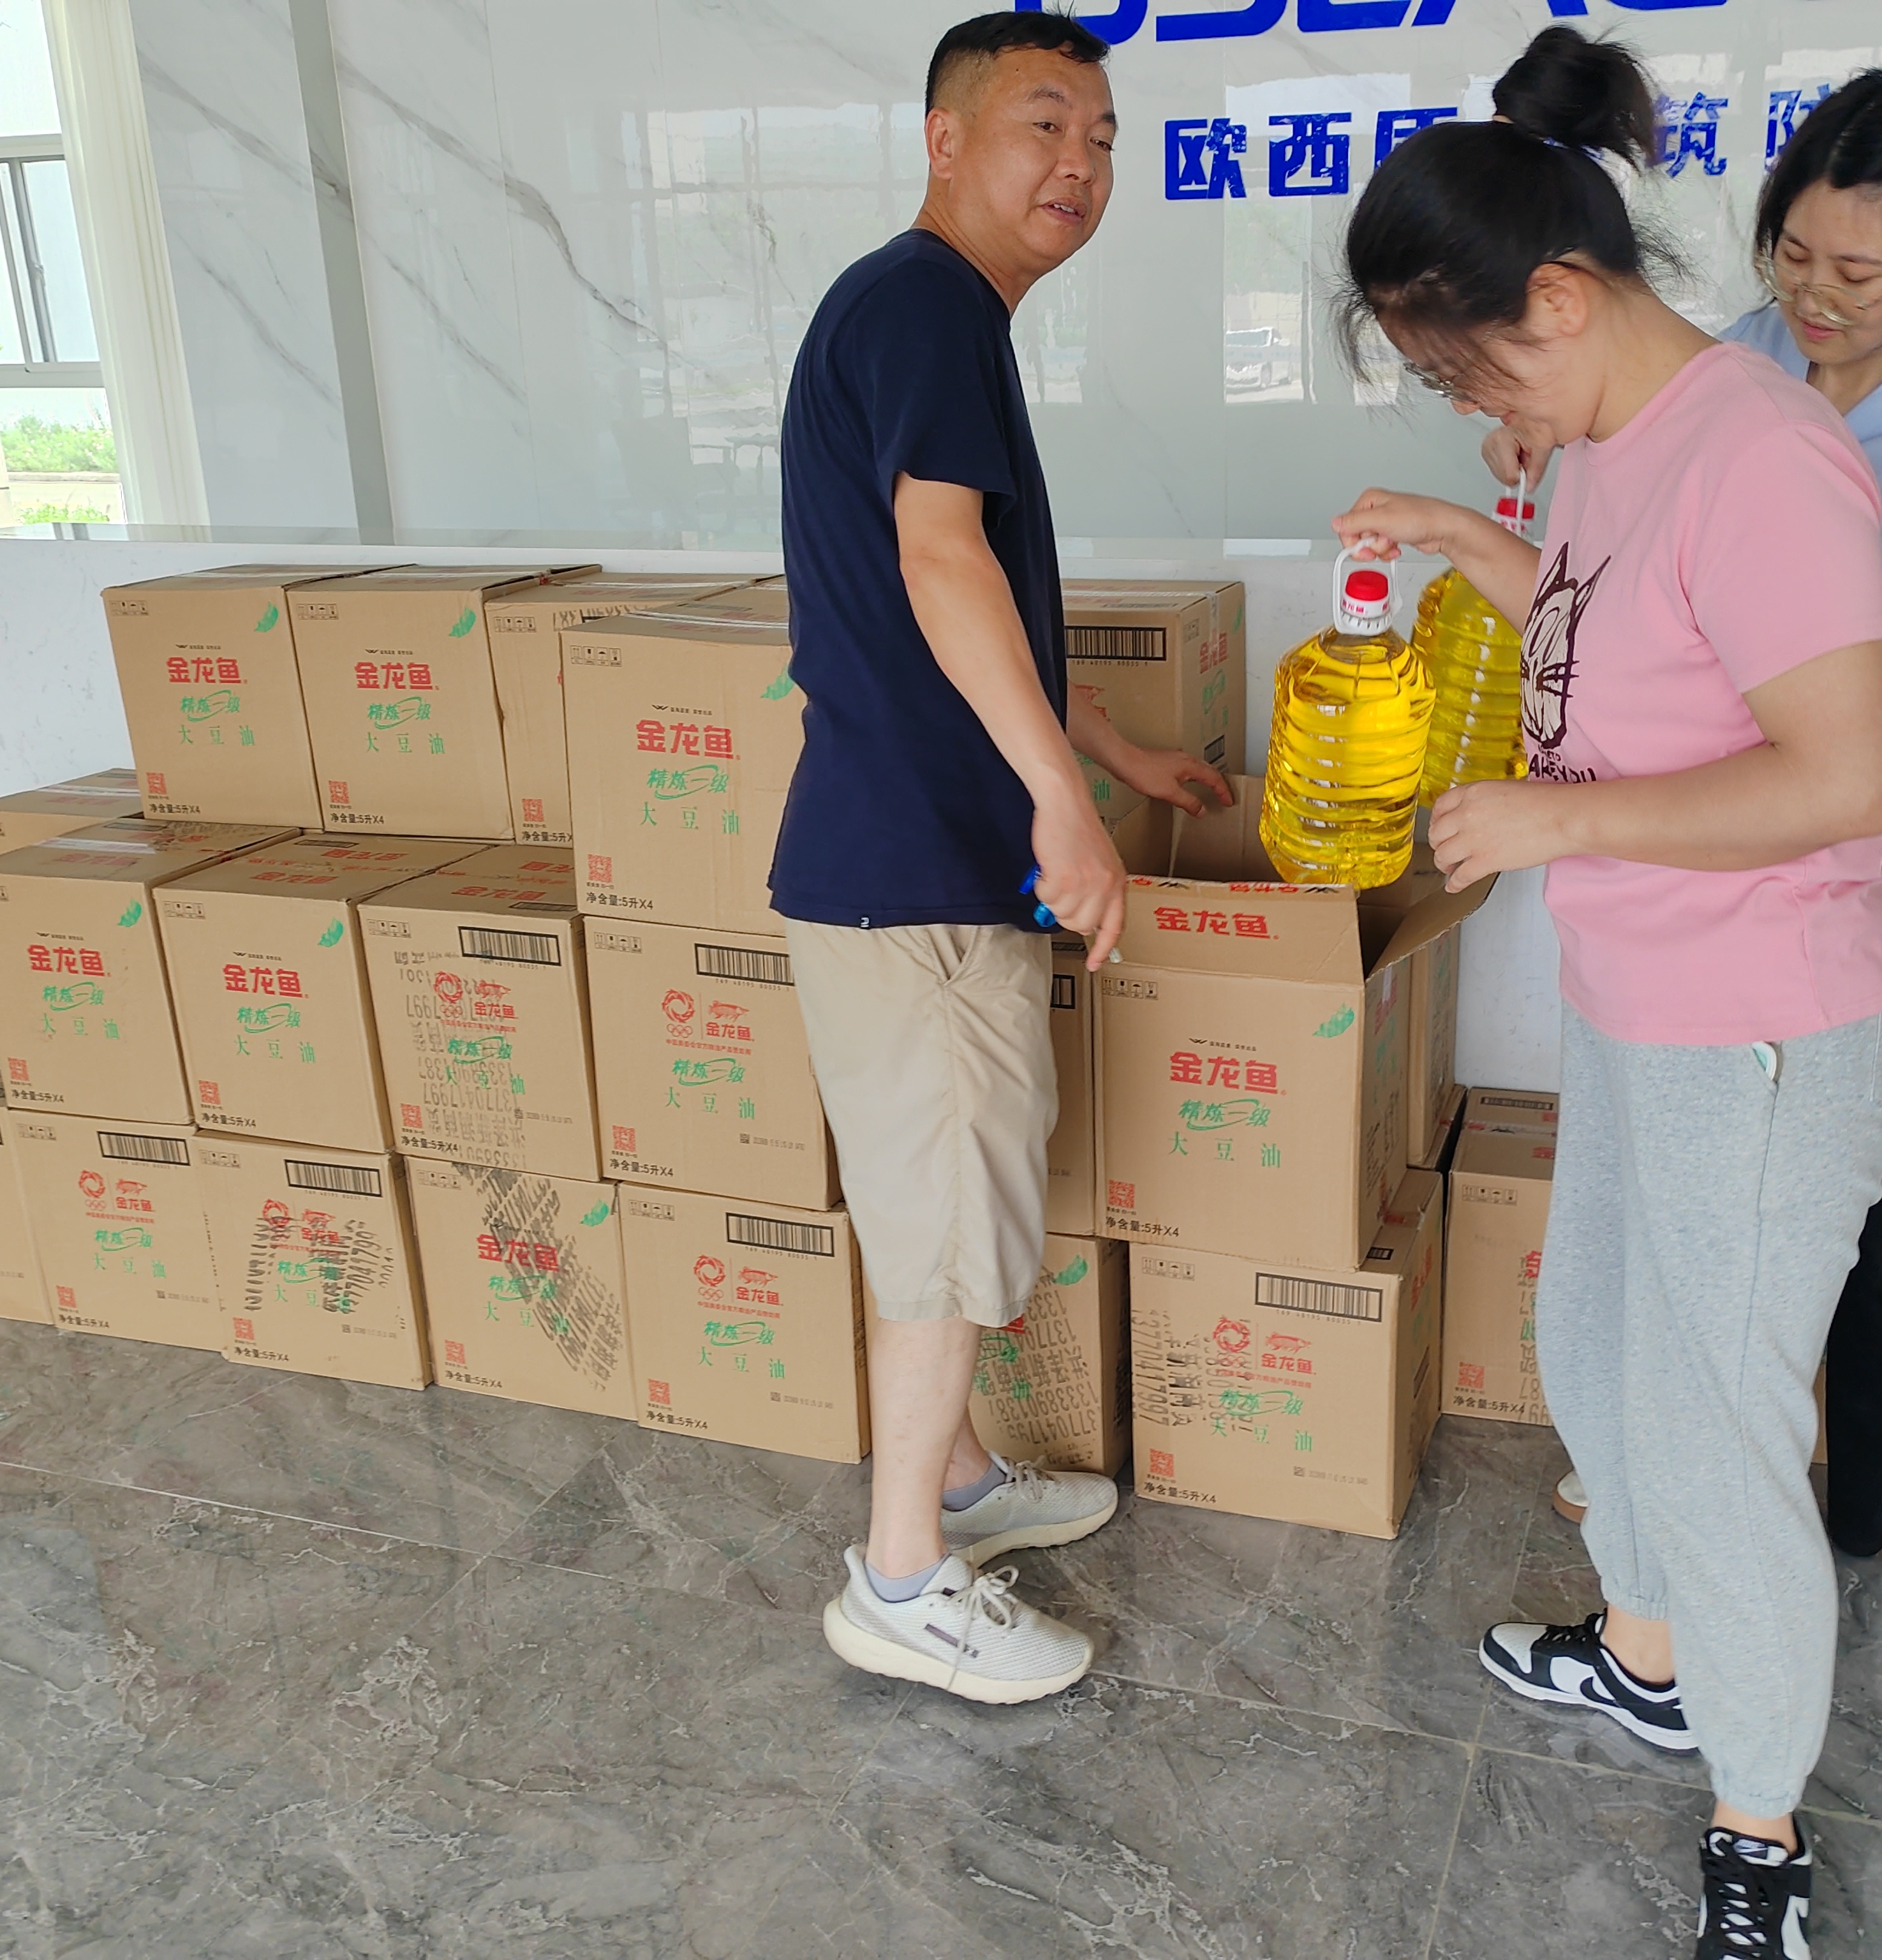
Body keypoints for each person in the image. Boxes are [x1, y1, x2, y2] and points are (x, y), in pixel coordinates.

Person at [1331, 29, 1882, 1957]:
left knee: (1712, 1427)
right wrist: (1468, 544)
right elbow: (1603, 630)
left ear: (1562, 298)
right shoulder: (1605, 445)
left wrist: (1562, 824)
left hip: (1761, 1032)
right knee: (1594, 1347)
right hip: (1646, 1000)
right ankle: (1652, 1660)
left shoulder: (1764, 457)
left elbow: (1843, 772)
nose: (1470, 410)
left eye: (1466, 372)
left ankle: (1759, 1839)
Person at [1502, 72, 1882, 1645]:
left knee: (1878, 1186)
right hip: (1716, 812)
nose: (1813, 298)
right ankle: (1669, 1485)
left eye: (1856, 274)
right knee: (1682, 1189)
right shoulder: (1742, 365)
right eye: (1792, 256)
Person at [771, 10, 1230, 1704]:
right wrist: (1061, 803)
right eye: (1045, 124)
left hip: (901, 851)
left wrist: (1107, 751)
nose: (1080, 165)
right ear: (944, 139)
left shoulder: (928, 313)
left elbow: (962, 610)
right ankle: (900, 1578)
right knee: (948, 1218)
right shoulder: (927, 306)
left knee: (936, 1199)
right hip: (917, 865)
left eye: (1102, 137)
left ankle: (958, 1479)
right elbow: (939, 559)